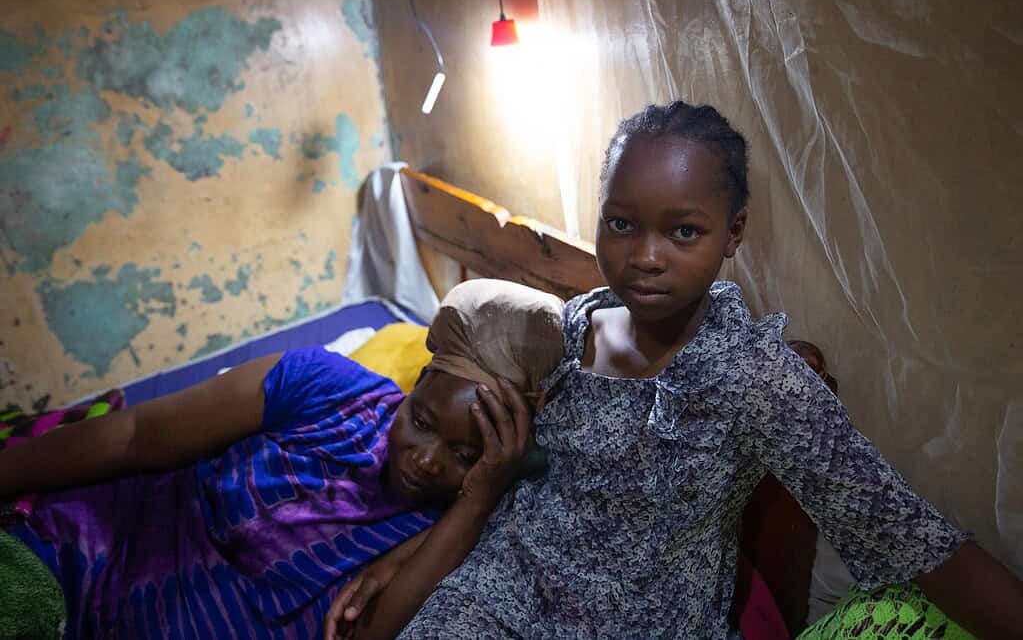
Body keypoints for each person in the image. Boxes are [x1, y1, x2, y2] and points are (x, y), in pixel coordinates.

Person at [331, 101, 1023, 639]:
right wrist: (417, 550)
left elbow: (900, 530)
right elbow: (537, 481)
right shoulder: (572, 329)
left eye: (682, 231)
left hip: (640, 618)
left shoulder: (756, 378)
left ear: (733, 233)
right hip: (504, 587)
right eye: (621, 224)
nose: (646, 256)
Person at [0, 278, 563, 639]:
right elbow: (134, 435)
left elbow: (367, 634)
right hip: (79, 556)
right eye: (420, 421)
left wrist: (480, 497)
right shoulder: (324, 386)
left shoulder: (473, 534)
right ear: (416, 384)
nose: (426, 461)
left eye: (465, 455)